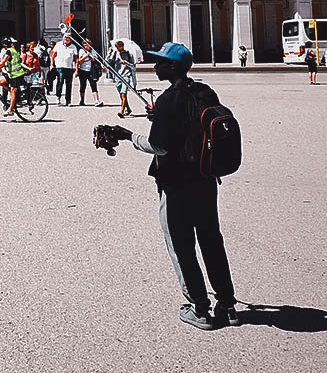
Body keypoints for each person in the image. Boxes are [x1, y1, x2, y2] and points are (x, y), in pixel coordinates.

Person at [107, 42, 239, 330]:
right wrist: (160, 118)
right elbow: (193, 125)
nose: (155, 66)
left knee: (181, 245)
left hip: (176, 183)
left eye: (161, 63)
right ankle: (228, 305)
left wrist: (127, 135)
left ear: (173, 67)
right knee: (212, 241)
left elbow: (160, 146)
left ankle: (199, 308)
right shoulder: (204, 91)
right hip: (205, 178)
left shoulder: (169, 100)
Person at [0, 39, 25, 118]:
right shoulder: (13, 50)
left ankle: (11, 110)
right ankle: (14, 94)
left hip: (16, 75)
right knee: (0, 82)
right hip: (12, 74)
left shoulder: (9, 51)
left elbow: (3, 62)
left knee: (13, 90)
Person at [108, 40, 137, 118]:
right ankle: (128, 109)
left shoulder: (128, 54)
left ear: (122, 46)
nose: (117, 49)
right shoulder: (115, 53)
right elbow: (107, 62)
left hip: (126, 76)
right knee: (121, 95)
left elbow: (134, 67)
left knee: (123, 94)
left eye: (118, 47)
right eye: (116, 47)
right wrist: (109, 52)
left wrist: (126, 63)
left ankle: (122, 111)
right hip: (117, 76)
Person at [52, 35, 77, 105]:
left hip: (69, 67)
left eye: (68, 38)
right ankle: (58, 97)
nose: (66, 39)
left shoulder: (73, 47)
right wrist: (51, 64)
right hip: (60, 66)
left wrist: (76, 69)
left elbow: (76, 59)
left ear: (70, 39)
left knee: (69, 84)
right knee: (60, 82)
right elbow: (53, 54)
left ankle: (68, 100)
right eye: (65, 38)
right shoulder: (58, 45)